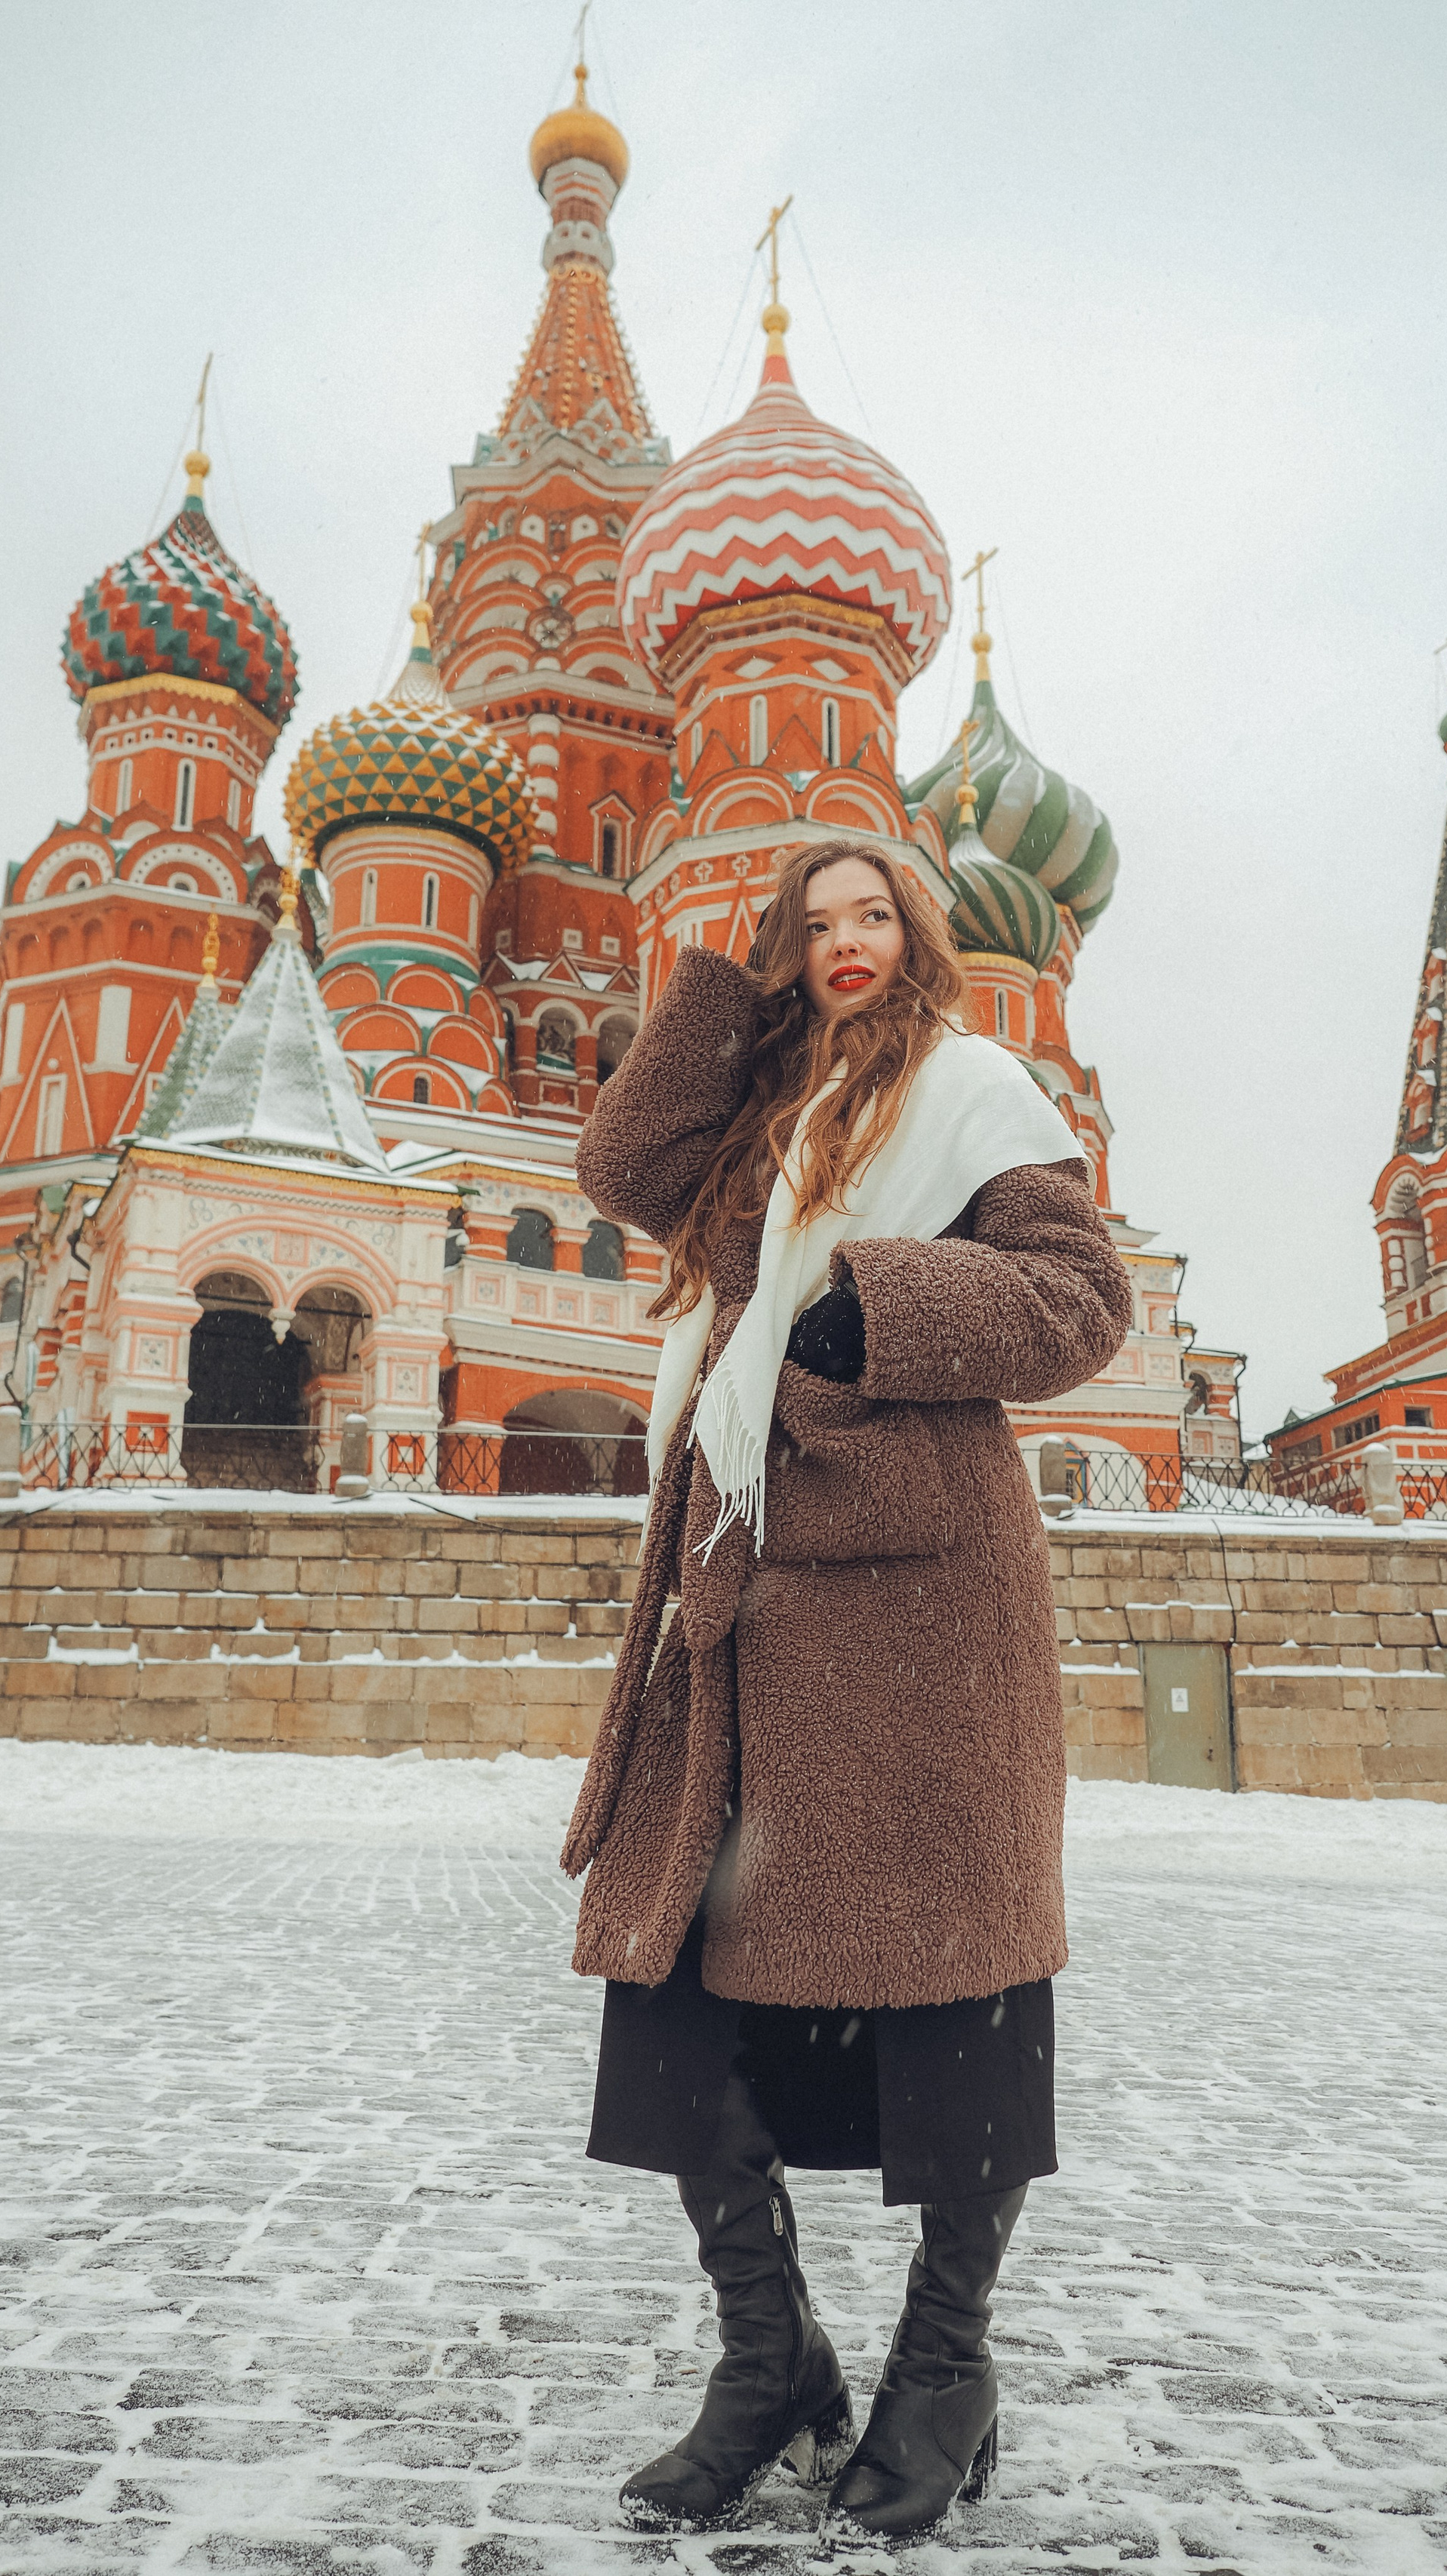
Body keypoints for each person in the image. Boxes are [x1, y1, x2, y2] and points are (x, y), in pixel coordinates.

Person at [562, 838, 1133, 2550]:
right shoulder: (758, 1113)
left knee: (951, 1983)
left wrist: (858, 1313)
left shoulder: (968, 1091)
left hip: (915, 1617)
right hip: (731, 1597)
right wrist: (723, 1004)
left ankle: (941, 2370)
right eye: (810, 926)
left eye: (869, 913)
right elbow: (617, 1160)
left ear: (918, 932)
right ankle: (769, 2364)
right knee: (676, 1985)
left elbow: (1079, 1298)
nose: (842, 944)